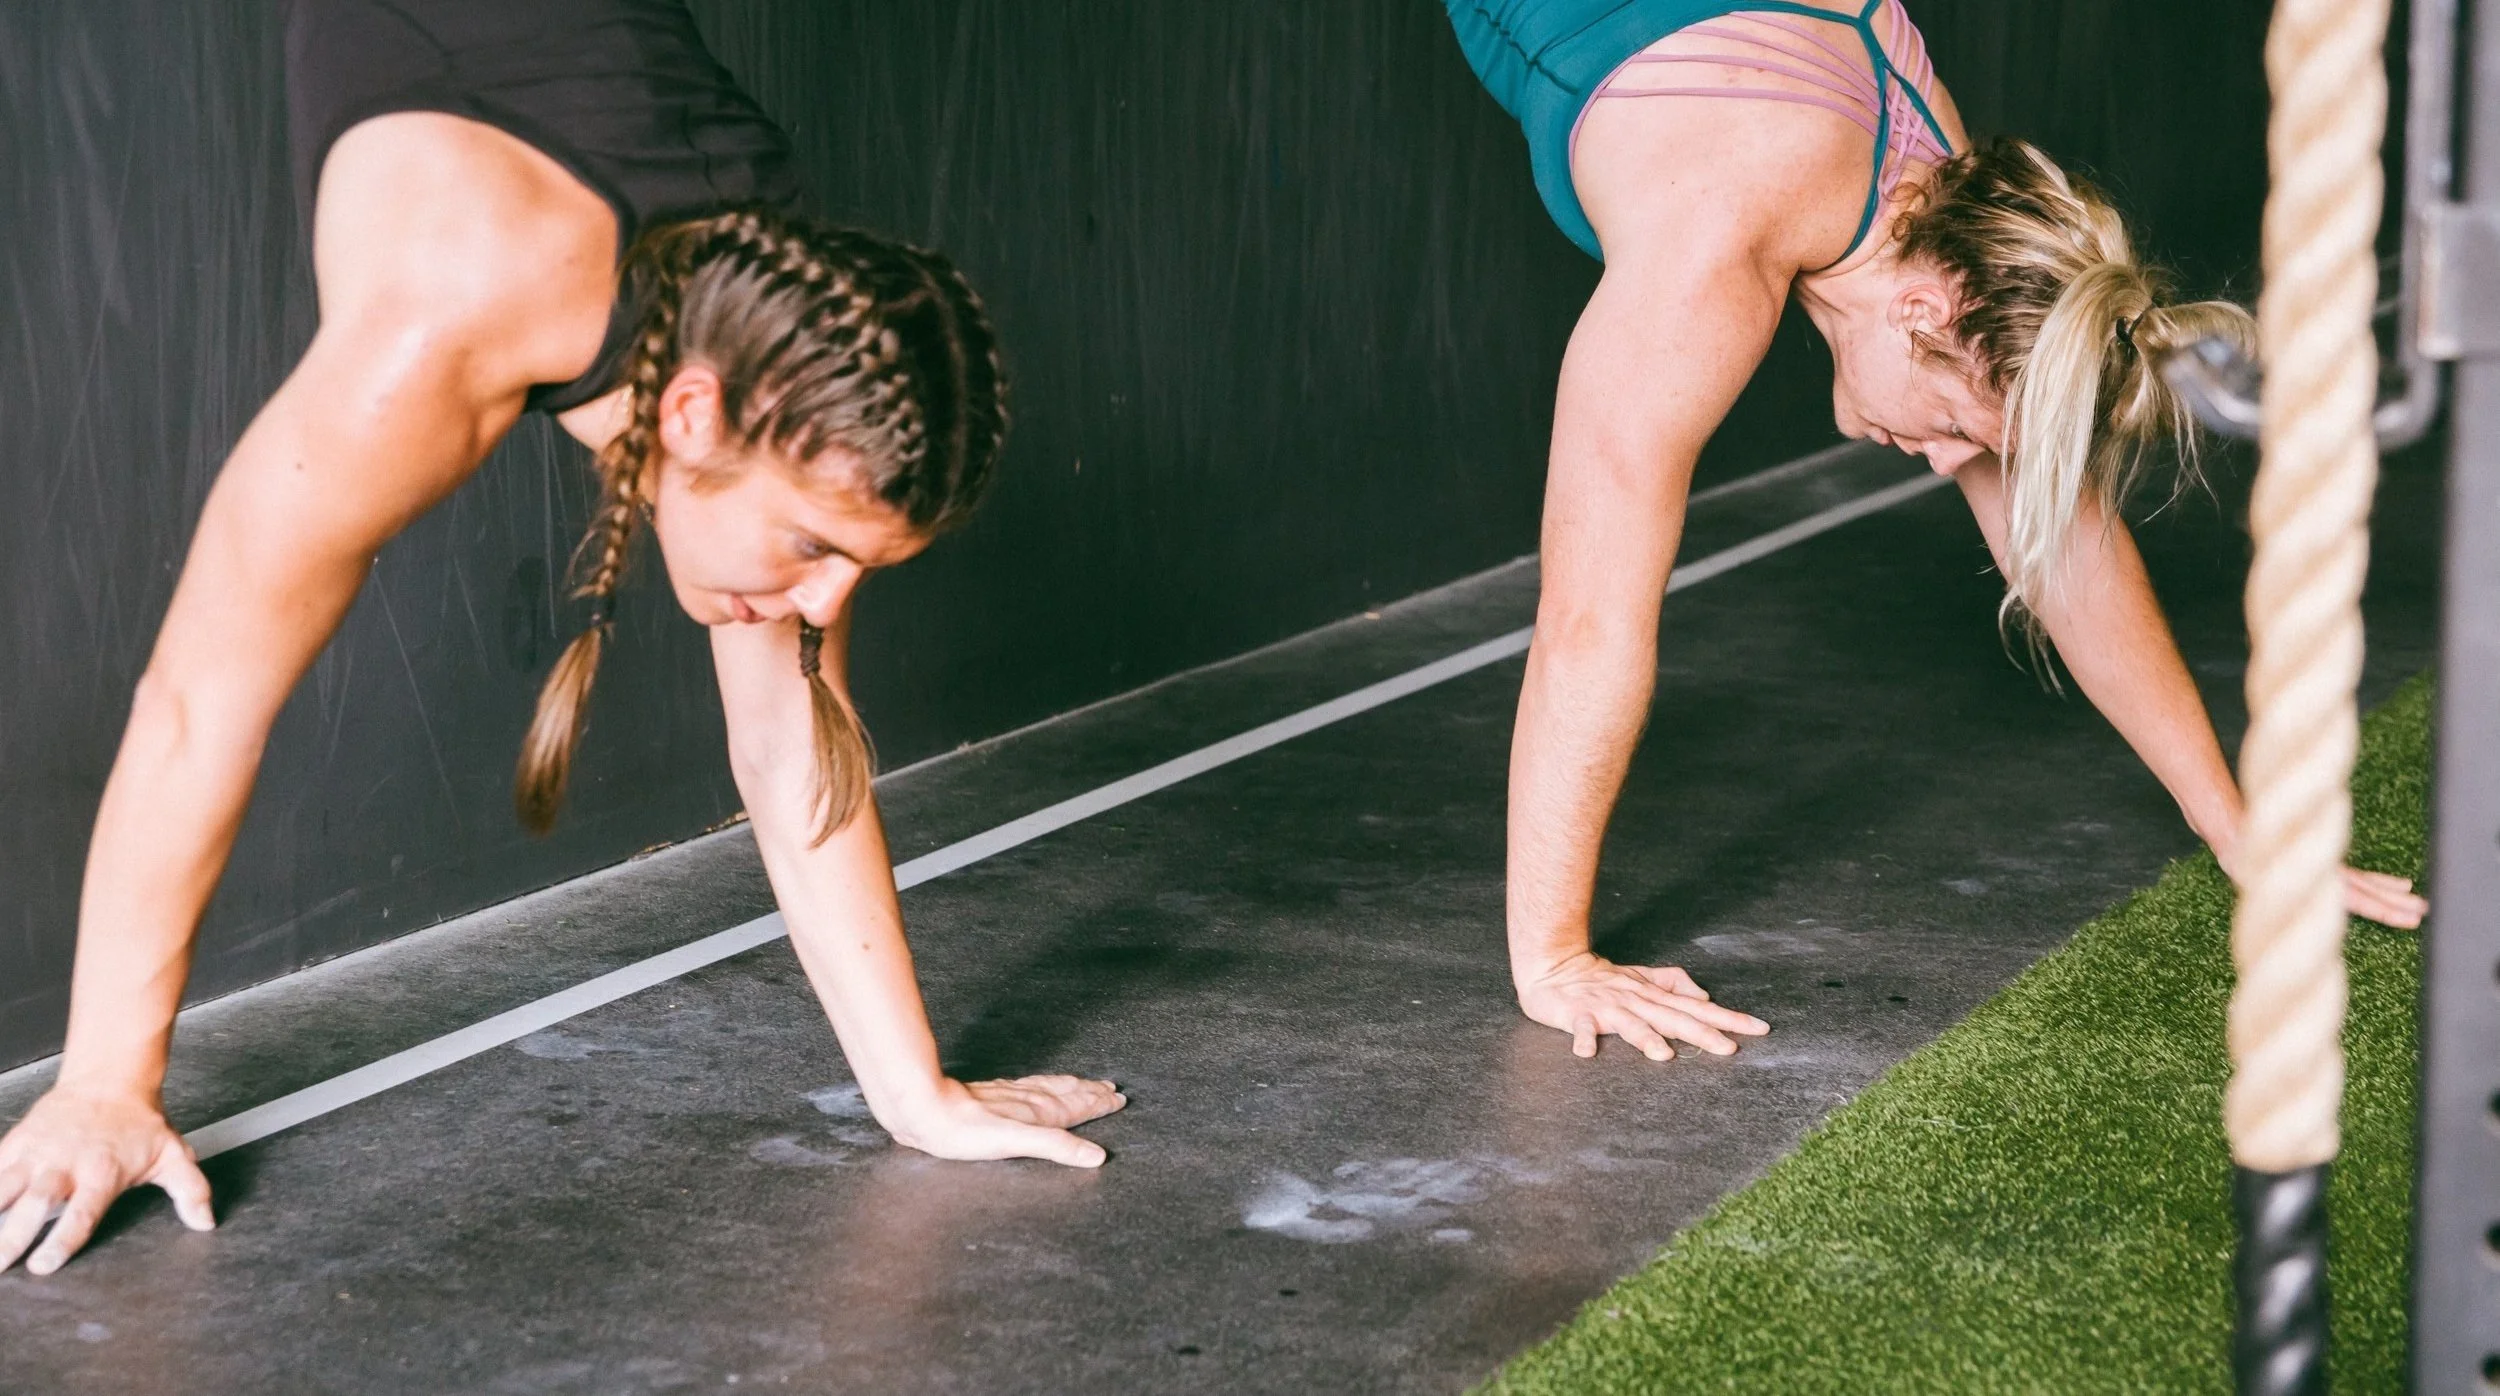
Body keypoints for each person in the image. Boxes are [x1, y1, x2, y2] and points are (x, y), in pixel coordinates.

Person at [0, 0, 1123, 1279]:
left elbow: (787, 740)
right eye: (816, 547)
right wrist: (104, 1084)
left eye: (855, 564)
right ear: (689, 415)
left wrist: (915, 1091)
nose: (824, 603)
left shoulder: (796, 351)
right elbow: (198, 701)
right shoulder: (443, 320)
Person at [1443, 0, 2428, 1063]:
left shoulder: (1961, 203)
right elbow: (1589, 617)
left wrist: (2233, 826)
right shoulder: (1717, 232)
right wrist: (1556, 956)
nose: (1952, 459)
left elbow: (2061, 542)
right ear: (1921, 317)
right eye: (1958, 426)